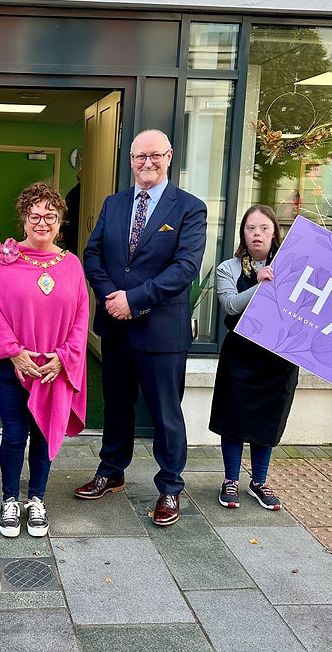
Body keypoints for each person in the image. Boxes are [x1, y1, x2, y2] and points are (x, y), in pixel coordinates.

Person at [211, 204, 332, 510]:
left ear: (274, 233)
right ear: (243, 234)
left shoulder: (297, 265)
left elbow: (330, 304)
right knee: (233, 419)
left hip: (280, 358)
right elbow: (230, 305)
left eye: (264, 228)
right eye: (251, 228)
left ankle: (259, 482)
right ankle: (230, 480)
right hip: (240, 356)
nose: (257, 234)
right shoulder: (227, 268)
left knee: (268, 420)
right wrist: (259, 283)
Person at [75, 129, 207, 527]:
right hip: (116, 326)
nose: (146, 163)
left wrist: (135, 300)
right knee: (116, 405)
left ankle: (169, 486)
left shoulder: (189, 208)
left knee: (166, 412)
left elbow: (185, 268)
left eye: (154, 156)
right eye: (138, 157)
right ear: (129, 159)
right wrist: (111, 295)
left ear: (169, 156)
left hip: (161, 330)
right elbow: (92, 253)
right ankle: (112, 470)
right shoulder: (114, 204)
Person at [0, 182, 89, 537]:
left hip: (52, 368)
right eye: (35, 216)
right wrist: (14, 352)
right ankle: (10, 500)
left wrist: (64, 359)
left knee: (44, 433)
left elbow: (80, 317)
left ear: (60, 222)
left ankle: (37, 499)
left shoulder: (71, 264)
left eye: (50, 216)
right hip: (13, 366)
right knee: (14, 435)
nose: (42, 223)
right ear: (24, 220)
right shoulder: (5, 260)